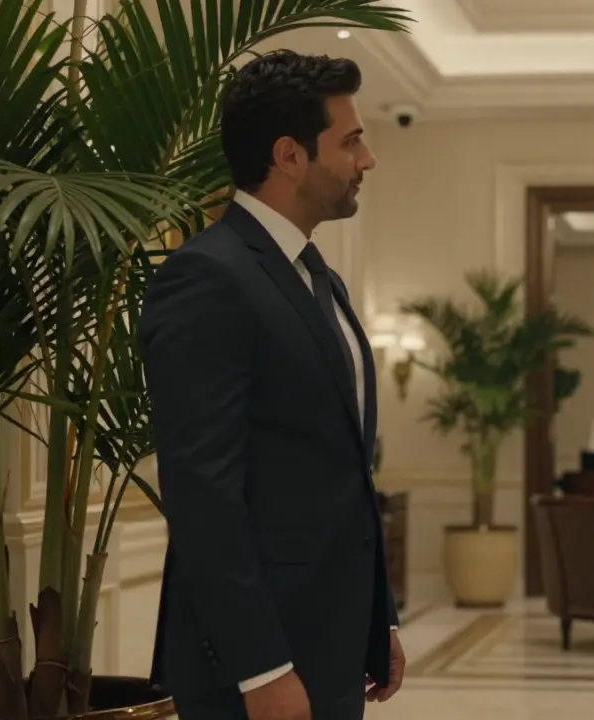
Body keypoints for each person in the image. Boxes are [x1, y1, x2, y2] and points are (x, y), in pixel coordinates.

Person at [139, 51, 403, 720]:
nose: (367, 160)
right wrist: (261, 669)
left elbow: (341, 473)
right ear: (289, 155)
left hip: (333, 641)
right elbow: (202, 493)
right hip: (257, 664)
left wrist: (380, 619)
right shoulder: (207, 277)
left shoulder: (320, 278)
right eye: (351, 141)